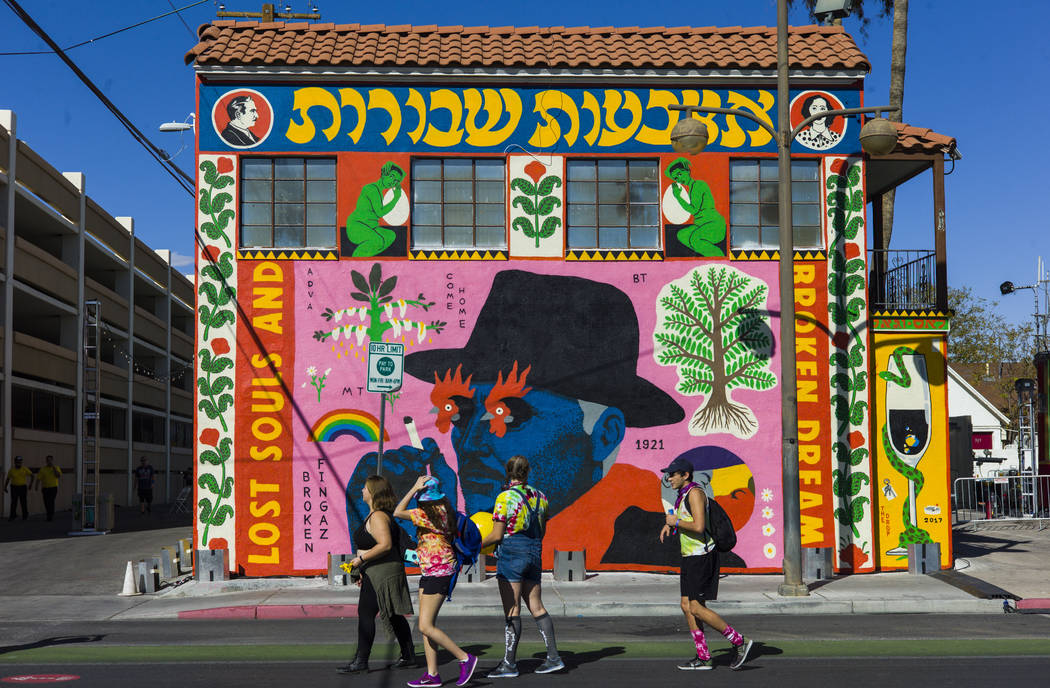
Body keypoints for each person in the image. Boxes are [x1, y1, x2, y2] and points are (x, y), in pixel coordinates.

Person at [347, 270, 686, 570]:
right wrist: (423, 528)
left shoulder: (646, 538)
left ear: (604, 435)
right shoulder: (507, 513)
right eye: (463, 414)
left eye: (509, 417)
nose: (472, 444)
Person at [660, 455, 752, 671]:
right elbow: (686, 520)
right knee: (686, 606)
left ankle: (739, 641)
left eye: (673, 474)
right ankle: (703, 657)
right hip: (690, 556)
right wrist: (671, 526)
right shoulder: (683, 495)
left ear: (685, 475)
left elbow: (699, 526)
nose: (669, 478)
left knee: (696, 608)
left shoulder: (695, 493)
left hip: (702, 557)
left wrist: (676, 521)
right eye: (668, 474)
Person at [480, 455, 563, 678]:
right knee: (537, 606)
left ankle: (509, 664)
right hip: (535, 551)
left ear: (508, 472)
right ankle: (554, 657)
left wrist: (475, 545)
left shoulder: (504, 497)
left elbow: (497, 534)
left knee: (512, 609)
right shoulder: (541, 496)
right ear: (528, 472)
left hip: (512, 553)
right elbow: (542, 530)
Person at [393, 476, 478, 688]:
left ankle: (465, 659)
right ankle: (432, 675)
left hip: (438, 572)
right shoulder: (446, 511)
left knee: (425, 625)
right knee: (426, 626)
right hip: (436, 570)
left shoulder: (426, 514)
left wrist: (413, 487)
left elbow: (397, 512)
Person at [337, 475, 416, 675]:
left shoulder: (379, 516)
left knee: (365, 613)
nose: (362, 491)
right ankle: (408, 656)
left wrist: (360, 561)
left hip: (382, 572)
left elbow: (385, 545)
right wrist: (363, 569)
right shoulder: (374, 515)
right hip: (376, 571)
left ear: (372, 493)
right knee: (393, 614)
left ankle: (361, 660)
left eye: (365, 488)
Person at [665, 157, 727, 256]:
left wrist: (678, 197)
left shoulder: (698, 185)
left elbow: (694, 210)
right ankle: (704, 251)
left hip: (714, 225)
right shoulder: (691, 188)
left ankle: (718, 256)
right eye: (676, 178)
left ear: (687, 171)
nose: (679, 179)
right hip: (700, 225)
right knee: (682, 235)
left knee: (694, 239)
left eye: (680, 174)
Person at [345, 161, 404, 257]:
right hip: (357, 226)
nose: (393, 182)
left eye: (396, 181)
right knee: (379, 241)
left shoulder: (379, 191)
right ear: (385, 173)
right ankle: (356, 257)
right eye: (392, 177)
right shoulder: (371, 189)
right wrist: (396, 198)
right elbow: (380, 212)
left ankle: (366, 252)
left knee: (391, 235)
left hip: (371, 226)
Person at [4, 456, 34, 521]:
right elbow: (8, 479)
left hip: (22, 487)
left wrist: (30, 484)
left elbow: (32, 476)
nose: (18, 463)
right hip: (14, 487)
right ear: (15, 462)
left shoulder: (24, 469)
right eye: (17, 462)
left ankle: (25, 516)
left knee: (23, 502)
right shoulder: (11, 470)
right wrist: (5, 487)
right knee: (14, 502)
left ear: (21, 462)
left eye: (20, 462)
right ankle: (12, 516)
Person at [37, 455, 62, 521]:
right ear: (46, 461)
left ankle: (50, 515)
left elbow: (58, 476)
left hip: (53, 488)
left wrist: (54, 469)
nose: (49, 461)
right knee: (46, 502)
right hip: (45, 488)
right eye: (48, 460)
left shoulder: (56, 468)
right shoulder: (43, 469)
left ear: (52, 460)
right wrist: (36, 486)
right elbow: (38, 478)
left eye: (50, 460)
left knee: (51, 501)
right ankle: (49, 513)